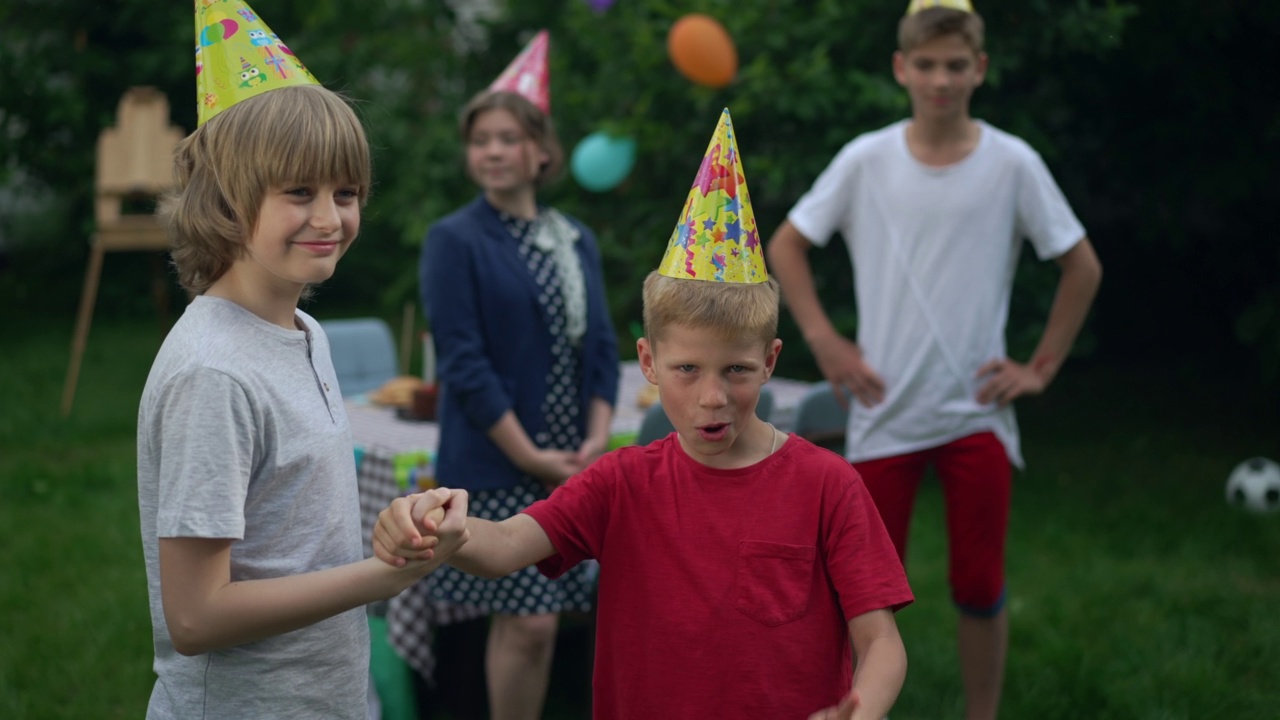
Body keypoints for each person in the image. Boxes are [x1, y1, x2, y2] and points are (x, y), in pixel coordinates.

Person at [381, 110, 915, 720]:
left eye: (736, 370)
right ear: (649, 361)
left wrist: (862, 708)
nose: (712, 397)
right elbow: (505, 545)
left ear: (770, 362)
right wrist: (448, 529)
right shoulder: (622, 482)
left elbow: (880, 641)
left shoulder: (828, 485)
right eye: (688, 370)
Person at [764, 1, 1104, 718]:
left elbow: (1082, 266)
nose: (940, 79)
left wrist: (1038, 368)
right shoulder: (866, 160)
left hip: (974, 412)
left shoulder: (1013, 163)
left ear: (979, 69)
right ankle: (845, 707)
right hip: (885, 409)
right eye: (926, 64)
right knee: (856, 588)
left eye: (956, 65)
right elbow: (786, 244)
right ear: (900, 69)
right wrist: (825, 340)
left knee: (978, 582)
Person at [136, 3, 466, 718]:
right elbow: (195, 617)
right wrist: (377, 578)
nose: (330, 218)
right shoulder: (213, 374)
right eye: (298, 193)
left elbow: (295, 521)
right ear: (228, 198)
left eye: (345, 193)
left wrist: (393, 524)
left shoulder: (306, 331)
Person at [407, 30, 620, 720]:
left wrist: (594, 440)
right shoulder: (454, 240)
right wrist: (532, 457)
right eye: (480, 140)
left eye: (507, 137)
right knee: (527, 623)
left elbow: (603, 347)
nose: (492, 151)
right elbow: (463, 362)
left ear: (542, 151)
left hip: (570, 458)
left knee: (547, 623)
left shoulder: (574, 237)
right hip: (501, 463)